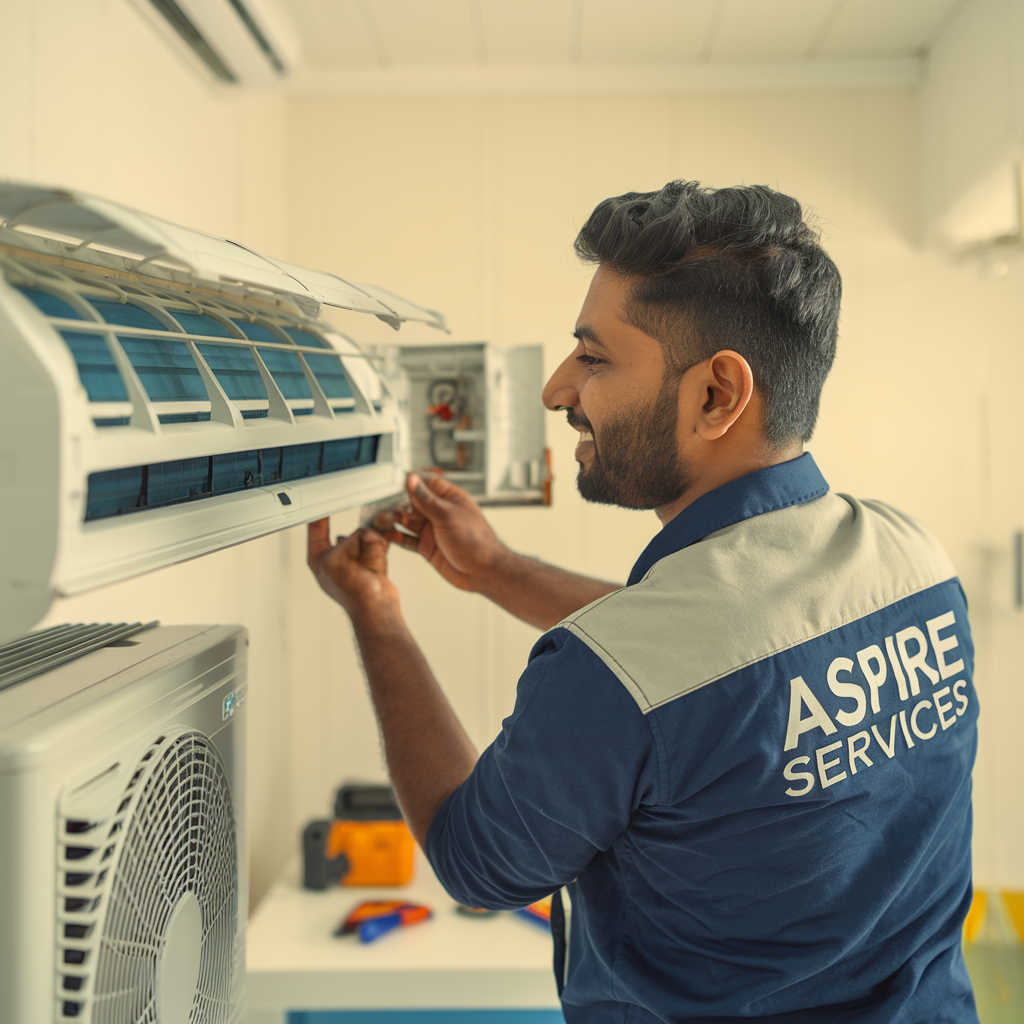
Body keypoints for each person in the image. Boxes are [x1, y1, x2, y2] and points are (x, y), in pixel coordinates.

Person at [307, 181, 979, 1023]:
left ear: (715, 396)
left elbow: (477, 863)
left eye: (593, 358)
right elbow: (724, 664)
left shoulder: (623, 673)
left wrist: (375, 610)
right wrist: (498, 570)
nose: (558, 391)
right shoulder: (914, 558)